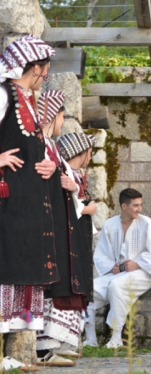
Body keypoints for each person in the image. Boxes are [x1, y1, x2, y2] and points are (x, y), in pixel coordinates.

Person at [0, 35, 57, 371]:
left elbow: (43, 150)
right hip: (8, 205)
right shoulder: (3, 94)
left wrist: (49, 164)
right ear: (35, 68)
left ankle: (12, 354)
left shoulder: (29, 101)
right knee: (4, 268)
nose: (45, 75)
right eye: (45, 69)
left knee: (22, 269)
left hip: (28, 206)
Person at [35, 90, 91, 367]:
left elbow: (70, 184)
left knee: (62, 281)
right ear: (52, 115)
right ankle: (43, 346)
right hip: (48, 224)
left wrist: (71, 187)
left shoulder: (51, 146)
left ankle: (54, 342)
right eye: (61, 115)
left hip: (60, 221)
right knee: (51, 283)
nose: (62, 121)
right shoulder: (40, 145)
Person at [84, 188, 151, 348]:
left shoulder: (146, 223)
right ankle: (90, 340)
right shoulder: (109, 225)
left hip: (145, 273)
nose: (139, 209)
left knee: (117, 286)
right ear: (124, 206)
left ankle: (116, 338)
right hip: (118, 274)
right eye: (135, 205)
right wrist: (112, 267)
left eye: (140, 205)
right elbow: (101, 254)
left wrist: (138, 264)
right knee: (87, 291)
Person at [57, 131, 98, 308]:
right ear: (81, 153)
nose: (90, 156)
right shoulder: (65, 174)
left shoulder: (76, 175)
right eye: (89, 152)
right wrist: (89, 208)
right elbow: (66, 207)